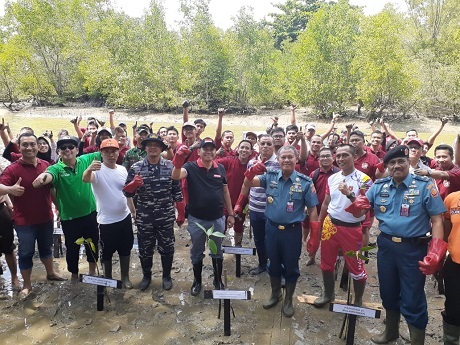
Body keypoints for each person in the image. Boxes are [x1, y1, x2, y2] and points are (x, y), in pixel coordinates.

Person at [363, 145, 447, 344]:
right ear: (387, 167)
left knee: (412, 296)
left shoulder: (424, 185)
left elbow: (437, 220)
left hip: (412, 249)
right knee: (388, 291)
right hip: (386, 247)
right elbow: (360, 211)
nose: (396, 166)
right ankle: (391, 331)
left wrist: (436, 251)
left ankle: (417, 340)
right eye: (392, 163)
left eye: (401, 161)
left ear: (408, 162)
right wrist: (353, 199)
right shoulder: (379, 186)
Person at [243, 145, 319, 317]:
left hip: (292, 232)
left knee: (291, 267)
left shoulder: (305, 182)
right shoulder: (269, 177)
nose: (286, 160)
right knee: (273, 263)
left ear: (296, 160)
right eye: (283, 157)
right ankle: (275, 294)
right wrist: (250, 172)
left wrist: (314, 235)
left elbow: (313, 210)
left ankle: (288, 300)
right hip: (272, 229)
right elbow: (248, 184)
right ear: (278, 160)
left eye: (289, 157)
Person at [0, 133, 66, 298]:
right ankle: (27, 285)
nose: (29, 147)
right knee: (26, 252)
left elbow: (51, 190)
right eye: (25, 145)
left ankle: (51, 272)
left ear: (37, 146)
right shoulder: (13, 168)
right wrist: (10, 190)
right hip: (24, 221)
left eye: (32, 144)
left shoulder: (46, 165)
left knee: (46, 247)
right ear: (19, 147)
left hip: (45, 217)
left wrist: (59, 208)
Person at [171, 137, 235, 296]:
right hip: (197, 219)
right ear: (198, 152)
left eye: (211, 149)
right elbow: (176, 176)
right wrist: (179, 158)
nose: (208, 151)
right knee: (197, 251)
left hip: (217, 218)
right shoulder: (190, 167)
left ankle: (217, 280)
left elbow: (225, 191)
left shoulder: (220, 168)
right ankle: (197, 281)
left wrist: (231, 214)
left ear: (215, 151)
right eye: (204, 149)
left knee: (217, 251)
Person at [32, 136, 101, 283]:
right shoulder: (56, 168)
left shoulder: (86, 160)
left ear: (77, 149)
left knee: (93, 244)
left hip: (90, 213)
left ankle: (92, 271)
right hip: (70, 218)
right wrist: (42, 178)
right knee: (72, 248)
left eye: (71, 147)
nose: (67, 150)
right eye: (63, 148)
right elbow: (48, 175)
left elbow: (107, 152)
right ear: (58, 152)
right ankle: (74, 275)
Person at [314, 144, 372, 308]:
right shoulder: (332, 178)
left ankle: (358, 300)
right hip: (330, 225)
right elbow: (326, 202)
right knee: (326, 262)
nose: (340, 159)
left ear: (354, 157)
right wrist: (318, 224)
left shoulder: (365, 180)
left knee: (356, 266)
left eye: (344, 155)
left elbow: (362, 210)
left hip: (352, 229)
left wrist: (350, 194)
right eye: (338, 156)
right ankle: (328, 293)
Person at [124, 133, 182, 291]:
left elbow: (177, 192)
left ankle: (167, 276)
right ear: (145, 148)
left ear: (161, 148)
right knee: (145, 248)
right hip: (145, 216)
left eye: (156, 145)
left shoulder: (170, 166)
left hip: (165, 215)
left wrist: (181, 213)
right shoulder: (136, 168)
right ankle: (146, 276)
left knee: (167, 247)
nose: (153, 147)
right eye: (149, 145)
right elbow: (127, 193)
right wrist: (133, 185)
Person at [82, 138, 135, 289]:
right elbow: (86, 179)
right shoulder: (97, 170)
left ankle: (125, 277)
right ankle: (108, 279)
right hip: (106, 221)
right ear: (101, 153)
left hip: (124, 216)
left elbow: (127, 192)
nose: (111, 155)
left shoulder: (122, 169)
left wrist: (133, 211)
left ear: (118, 152)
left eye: (114, 151)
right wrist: (89, 169)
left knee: (126, 249)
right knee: (107, 252)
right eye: (107, 152)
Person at [235, 134, 280, 275]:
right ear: (258, 146)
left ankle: (275, 265)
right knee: (259, 238)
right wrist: (240, 204)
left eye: (268, 144)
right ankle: (261, 263)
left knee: (273, 239)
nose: (265, 146)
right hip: (255, 207)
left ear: (273, 146)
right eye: (263, 144)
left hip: (272, 209)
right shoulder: (251, 162)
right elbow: (246, 184)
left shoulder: (279, 163)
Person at [305, 147, 340, 265]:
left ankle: (331, 260)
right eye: (322, 156)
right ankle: (312, 257)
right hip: (316, 209)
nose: (325, 158)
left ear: (333, 158)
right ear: (318, 159)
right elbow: (309, 192)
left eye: (327, 156)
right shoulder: (314, 174)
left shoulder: (339, 174)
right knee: (315, 234)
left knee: (332, 236)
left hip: (332, 211)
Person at [216, 140, 253, 246]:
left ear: (251, 152)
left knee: (239, 226)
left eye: (247, 148)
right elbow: (212, 163)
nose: (244, 150)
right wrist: (217, 153)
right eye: (242, 147)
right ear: (238, 149)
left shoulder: (252, 165)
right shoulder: (229, 161)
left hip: (242, 202)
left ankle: (237, 248)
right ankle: (217, 249)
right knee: (221, 225)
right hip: (225, 201)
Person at [441, 191, 460, 345]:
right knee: (453, 308)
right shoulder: (452, 199)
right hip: (455, 264)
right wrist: (438, 257)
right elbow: (445, 230)